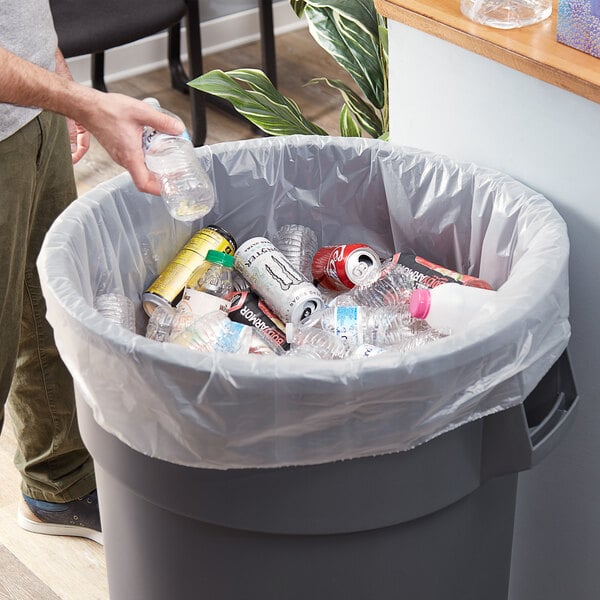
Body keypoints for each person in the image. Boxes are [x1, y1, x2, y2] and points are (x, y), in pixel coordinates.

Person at [0, 1, 184, 545]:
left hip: (25, 104)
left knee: (47, 306)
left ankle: (57, 484)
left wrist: (50, 64)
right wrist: (84, 100)